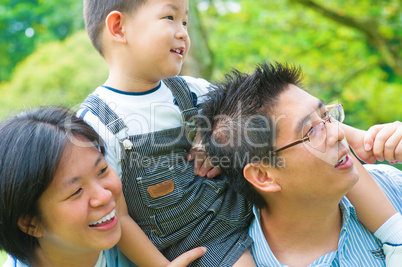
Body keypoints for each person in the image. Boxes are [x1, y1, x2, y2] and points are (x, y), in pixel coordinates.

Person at [78, 0, 255, 266]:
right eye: (170, 17)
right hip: (201, 245)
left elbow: (246, 112)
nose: (184, 32)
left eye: (185, 21)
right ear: (118, 28)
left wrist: (216, 138)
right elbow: (119, 216)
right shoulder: (98, 122)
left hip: (246, 205)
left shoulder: (190, 90)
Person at [198, 61, 402, 266]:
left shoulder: (393, 189)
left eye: (326, 116)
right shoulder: (241, 260)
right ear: (263, 176)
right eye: (311, 131)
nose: (338, 134)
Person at [0, 106, 206, 267]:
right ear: (30, 223)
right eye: (76, 191)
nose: (105, 196)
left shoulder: (144, 230)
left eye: (102, 171)